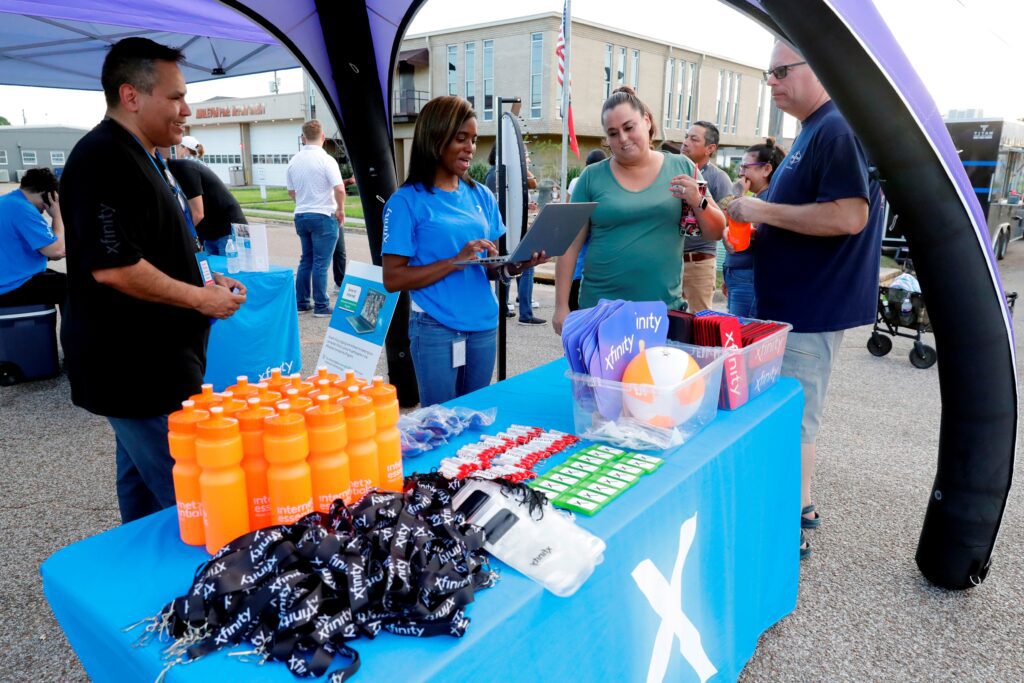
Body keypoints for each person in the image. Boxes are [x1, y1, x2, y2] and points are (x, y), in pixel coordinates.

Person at [59, 37, 246, 524]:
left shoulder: (150, 155)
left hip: (161, 363)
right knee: (189, 504)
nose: (186, 110)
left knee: (141, 491)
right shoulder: (103, 158)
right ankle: (196, 591)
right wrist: (200, 300)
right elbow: (115, 266)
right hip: (135, 368)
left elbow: (162, 243)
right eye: (176, 97)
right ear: (131, 96)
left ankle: (140, 591)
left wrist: (208, 276)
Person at [726, 41, 884, 560]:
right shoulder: (817, 129)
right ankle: (800, 508)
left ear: (819, 65)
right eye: (767, 72)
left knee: (791, 420)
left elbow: (849, 215)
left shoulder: (835, 128)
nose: (771, 82)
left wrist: (763, 212)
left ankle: (782, 531)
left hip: (809, 310)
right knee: (792, 417)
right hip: (796, 306)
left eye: (780, 71)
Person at [381, 96, 545, 405]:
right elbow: (392, 278)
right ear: (435, 138)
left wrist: (516, 266)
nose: (470, 147)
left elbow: (490, 267)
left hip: (483, 326)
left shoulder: (480, 194)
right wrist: (454, 262)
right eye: (461, 138)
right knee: (442, 424)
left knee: (476, 417)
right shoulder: (405, 202)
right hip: (436, 328)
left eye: (473, 139)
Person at [553, 86, 725, 334]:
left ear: (646, 121)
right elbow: (569, 245)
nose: (622, 138)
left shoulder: (682, 167)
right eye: (613, 133)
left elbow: (716, 231)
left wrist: (699, 201)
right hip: (600, 311)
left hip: (661, 312)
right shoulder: (592, 177)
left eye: (628, 127)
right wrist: (561, 307)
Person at [286, 119, 346, 317]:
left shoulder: (294, 160)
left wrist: (304, 200)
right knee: (321, 263)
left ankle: (301, 302)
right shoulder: (327, 160)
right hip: (322, 214)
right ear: (322, 137)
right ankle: (321, 305)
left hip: (302, 214)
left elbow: (291, 192)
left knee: (307, 260)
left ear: (303, 138)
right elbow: (339, 188)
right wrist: (341, 209)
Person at [721, 138, 786, 317]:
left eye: (745, 167)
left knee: (742, 334)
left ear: (766, 169)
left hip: (749, 276)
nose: (741, 173)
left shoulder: (764, 201)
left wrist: (737, 194)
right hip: (739, 275)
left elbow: (748, 235)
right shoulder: (757, 198)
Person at [484, 145, 545, 325]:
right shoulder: (498, 173)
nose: (525, 156)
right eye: (522, 152)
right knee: (520, 266)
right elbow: (503, 203)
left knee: (512, 266)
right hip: (507, 227)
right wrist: (523, 166)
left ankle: (505, 307)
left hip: (508, 227)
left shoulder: (498, 172)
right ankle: (523, 312)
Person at [680, 121, 733, 313]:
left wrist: (699, 201)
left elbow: (725, 224)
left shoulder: (719, 179)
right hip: (669, 261)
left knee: (698, 322)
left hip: (699, 263)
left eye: (694, 139)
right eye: (686, 136)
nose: (685, 142)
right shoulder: (672, 171)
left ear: (710, 148)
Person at [0, 168, 67, 312]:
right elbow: (57, 251)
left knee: (61, 279)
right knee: (74, 287)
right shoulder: (23, 209)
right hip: (11, 287)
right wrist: (58, 216)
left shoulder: (8, 201)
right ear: (46, 195)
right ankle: (76, 335)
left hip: (8, 278)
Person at [167, 135, 246, 255]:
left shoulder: (186, 168)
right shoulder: (196, 164)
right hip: (211, 230)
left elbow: (197, 213)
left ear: (185, 149)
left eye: (179, 147)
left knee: (230, 270)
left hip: (227, 229)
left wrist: (180, 235)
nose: (177, 150)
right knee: (212, 269)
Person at [565, 149, 606, 311]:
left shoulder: (577, 181)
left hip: (578, 265)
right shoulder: (604, 184)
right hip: (595, 267)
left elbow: (568, 209)